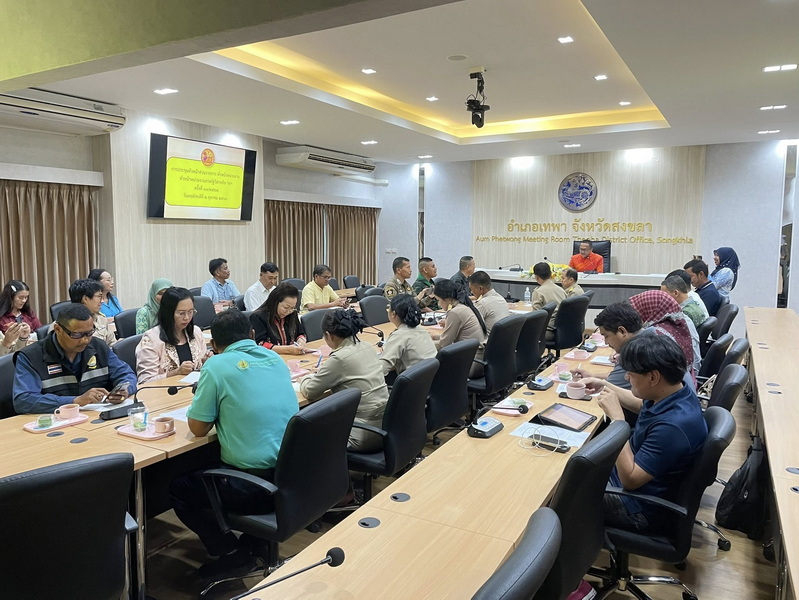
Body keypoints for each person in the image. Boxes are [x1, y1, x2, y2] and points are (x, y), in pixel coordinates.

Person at [169, 310, 298, 573]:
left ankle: (232, 552)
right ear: (252, 334)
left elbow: (198, 429)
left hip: (252, 487)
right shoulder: (275, 358)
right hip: (289, 478)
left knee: (177, 489)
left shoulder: (216, 366)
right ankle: (256, 541)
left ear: (214, 345)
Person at [597, 334, 707, 531]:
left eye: (630, 373)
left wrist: (617, 421)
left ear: (653, 377)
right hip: (629, 482)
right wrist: (603, 385)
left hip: (637, 507)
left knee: (560, 489)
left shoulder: (672, 428)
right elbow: (641, 404)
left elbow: (630, 480)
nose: (626, 377)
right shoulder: (675, 392)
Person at [12, 304, 136, 414]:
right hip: (55, 423)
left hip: (95, 419)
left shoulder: (98, 347)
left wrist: (124, 390)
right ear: (58, 329)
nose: (85, 340)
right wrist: (74, 401)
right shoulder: (31, 357)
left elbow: (126, 375)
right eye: (77, 335)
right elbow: (23, 400)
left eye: (89, 333)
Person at [300, 309, 388, 452]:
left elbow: (310, 391)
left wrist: (306, 377)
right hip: (385, 425)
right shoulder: (366, 345)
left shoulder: (339, 358)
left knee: (305, 431)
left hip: (361, 433)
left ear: (328, 335)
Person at [135, 287, 207, 383]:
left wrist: (206, 362)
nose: (187, 318)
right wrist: (176, 372)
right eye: (181, 313)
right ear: (168, 313)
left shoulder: (196, 332)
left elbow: (200, 369)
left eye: (190, 312)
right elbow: (145, 381)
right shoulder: (150, 339)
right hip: (165, 391)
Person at [629, 290, 699, 379]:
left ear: (650, 310)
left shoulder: (656, 334)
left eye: (640, 311)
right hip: (689, 378)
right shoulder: (678, 321)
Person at [432, 279, 487, 377]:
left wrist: (424, 344)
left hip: (470, 364)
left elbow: (443, 345)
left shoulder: (455, 312)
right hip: (479, 360)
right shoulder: (466, 306)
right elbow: (452, 337)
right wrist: (434, 337)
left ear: (447, 299)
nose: (439, 304)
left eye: (438, 300)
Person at [379, 294, 437, 376]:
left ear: (393, 314)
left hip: (412, 381)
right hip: (430, 379)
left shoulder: (399, 335)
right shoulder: (421, 329)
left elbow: (383, 368)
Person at [249, 282, 307, 353]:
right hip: (269, 356)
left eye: (292, 308)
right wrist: (287, 349)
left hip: (291, 356)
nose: (288, 311)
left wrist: (301, 340)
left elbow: (300, 333)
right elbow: (260, 344)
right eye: (286, 307)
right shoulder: (258, 317)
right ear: (275, 302)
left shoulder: (292, 313)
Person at [68, 278, 116, 346]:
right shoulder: (65, 324)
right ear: (85, 299)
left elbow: (112, 343)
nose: (102, 301)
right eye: (99, 296)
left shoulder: (101, 318)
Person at [531, 262, 566, 340]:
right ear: (550, 274)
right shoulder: (561, 290)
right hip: (562, 330)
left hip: (547, 331)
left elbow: (536, 317)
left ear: (536, 277)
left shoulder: (538, 292)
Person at [468, 270, 510, 334]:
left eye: (471, 289)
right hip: (502, 338)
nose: (471, 292)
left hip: (488, 339)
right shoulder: (501, 298)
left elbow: (469, 325)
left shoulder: (482, 304)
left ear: (480, 288)